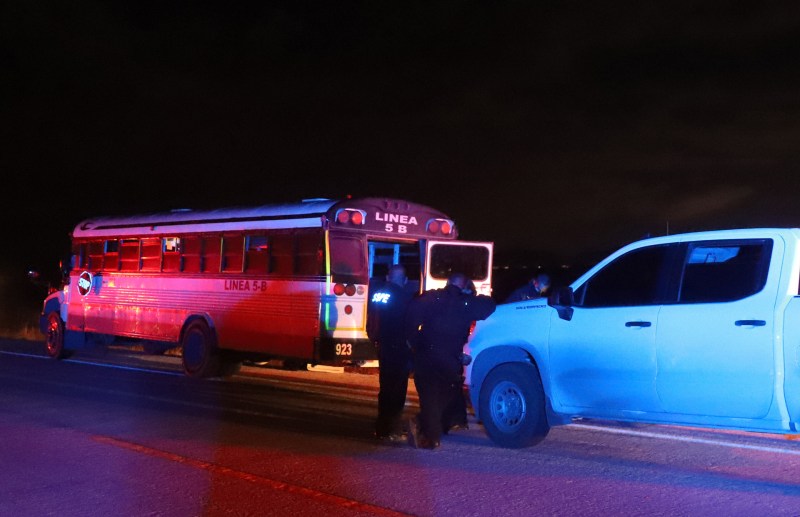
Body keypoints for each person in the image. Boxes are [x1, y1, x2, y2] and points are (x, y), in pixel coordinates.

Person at [405, 272, 496, 449]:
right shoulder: (466, 304)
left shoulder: (432, 298)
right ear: (463, 286)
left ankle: (430, 436)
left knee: (430, 396)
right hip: (450, 358)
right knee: (443, 396)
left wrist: (415, 343)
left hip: (427, 355)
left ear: (447, 282)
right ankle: (429, 432)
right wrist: (471, 295)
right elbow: (490, 305)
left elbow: (410, 318)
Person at [367, 264, 415, 442]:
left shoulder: (378, 294)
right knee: (397, 390)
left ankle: (381, 428)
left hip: (384, 346)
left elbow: (372, 320)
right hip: (400, 348)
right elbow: (410, 326)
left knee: (385, 388)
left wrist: (375, 340)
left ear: (388, 278)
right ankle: (393, 430)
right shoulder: (405, 298)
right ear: (405, 280)